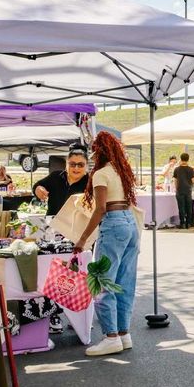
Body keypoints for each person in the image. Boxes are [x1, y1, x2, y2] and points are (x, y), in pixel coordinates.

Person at [72, 131, 139, 357]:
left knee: (101, 282)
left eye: (93, 150)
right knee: (124, 282)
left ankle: (111, 337)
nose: (91, 155)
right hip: (129, 222)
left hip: (113, 223)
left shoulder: (101, 174)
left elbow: (100, 209)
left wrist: (82, 239)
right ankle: (123, 334)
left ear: (99, 151)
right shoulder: (121, 171)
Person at [33, 147, 89, 216]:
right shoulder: (55, 176)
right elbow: (37, 186)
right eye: (72, 164)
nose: (76, 168)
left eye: (80, 165)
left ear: (86, 165)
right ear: (66, 164)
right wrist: (38, 189)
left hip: (79, 222)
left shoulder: (91, 182)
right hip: (53, 220)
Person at [172, 152, 194, 229]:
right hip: (188, 190)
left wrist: (176, 188)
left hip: (179, 190)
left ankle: (182, 223)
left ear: (181, 159)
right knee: (189, 207)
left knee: (181, 207)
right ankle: (188, 223)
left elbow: (175, 181)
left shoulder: (176, 169)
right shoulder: (191, 169)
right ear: (188, 159)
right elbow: (193, 181)